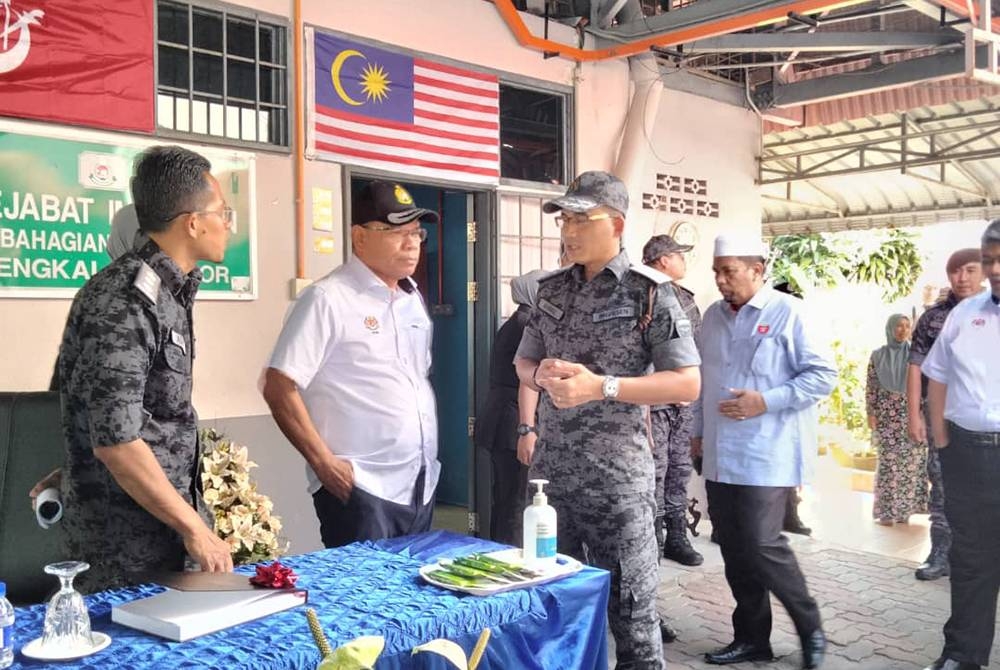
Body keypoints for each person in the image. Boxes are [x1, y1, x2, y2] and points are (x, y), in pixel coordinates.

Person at [514, 171, 701, 670]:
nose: (569, 231)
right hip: (550, 483)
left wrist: (602, 386)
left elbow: (686, 383)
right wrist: (542, 375)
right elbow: (523, 363)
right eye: (565, 220)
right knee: (550, 607)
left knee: (632, 618)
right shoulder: (551, 290)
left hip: (616, 481)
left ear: (616, 224)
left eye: (582, 219)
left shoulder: (650, 294)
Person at [57, 146, 235, 593]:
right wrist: (195, 529)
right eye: (223, 212)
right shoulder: (124, 300)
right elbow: (117, 441)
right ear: (192, 222)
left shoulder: (168, 294)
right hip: (124, 548)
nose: (228, 224)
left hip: (165, 530)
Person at [263, 181, 440, 549]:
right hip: (361, 487)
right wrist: (325, 465)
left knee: (411, 601)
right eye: (395, 232)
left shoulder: (412, 299)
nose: (411, 244)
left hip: (418, 483)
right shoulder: (328, 299)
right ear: (359, 238)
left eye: (415, 233)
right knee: (362, 600)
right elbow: (279, 384)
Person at [695, 234, 836, 669]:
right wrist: (697, 433)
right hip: (719, 452)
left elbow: (823, 375)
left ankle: (811, 630)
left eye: (729, 271)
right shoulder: (712, 319)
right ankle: (752, 638)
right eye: (717, 271)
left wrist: (765, 400)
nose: (720, 280)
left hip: (767, 454)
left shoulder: (788, 313)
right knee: (735, 549)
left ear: (757, 270)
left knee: (763, 545)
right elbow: (701, 381)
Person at [920, 220, 1000, 670]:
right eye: (989, 259)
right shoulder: (963, 315)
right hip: (968, 455)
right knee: (971, 558)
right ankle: (962, 656)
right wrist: (944, 443)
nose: (995, 268)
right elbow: (938, 377)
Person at [906, 248, 985, 581]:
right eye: (955, 271)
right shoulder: (934, 317)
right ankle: (940, 553)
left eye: (970, 270)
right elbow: (915, 367)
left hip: (987, 419)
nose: (962, 277)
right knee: (942, 484)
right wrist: (914, 415)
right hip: (943, 418)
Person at [641, 233, 704, 568]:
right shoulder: (641, 293)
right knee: (655, 470)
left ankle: (676, 535)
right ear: (664, 259)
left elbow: (694, 349)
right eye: (680, 255)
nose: (684, 261)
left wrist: (687, 386)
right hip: (654, 401)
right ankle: (652, 539)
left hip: (682, 401)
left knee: (679, 469)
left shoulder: (686, 298)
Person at [474, 270, 546, 545]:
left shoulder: (519, 321)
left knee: (509, 498)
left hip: (506, 419)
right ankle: (506, 555)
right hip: (511, 422)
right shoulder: (526, 325)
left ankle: (501, 550)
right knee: (515, 500)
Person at [868, 314, 927, 525]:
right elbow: (872, 386)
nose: (902, 330)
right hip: (886, 416)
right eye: (898, 326)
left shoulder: (917, 355)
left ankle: (904, 512)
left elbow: (925, 386)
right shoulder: (877, 355)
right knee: (888, 464)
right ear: (890, 328)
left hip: (911, 414)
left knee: (910, 464)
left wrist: (922, 416)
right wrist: (871, 413)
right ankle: (886, 512)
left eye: (906, 326)